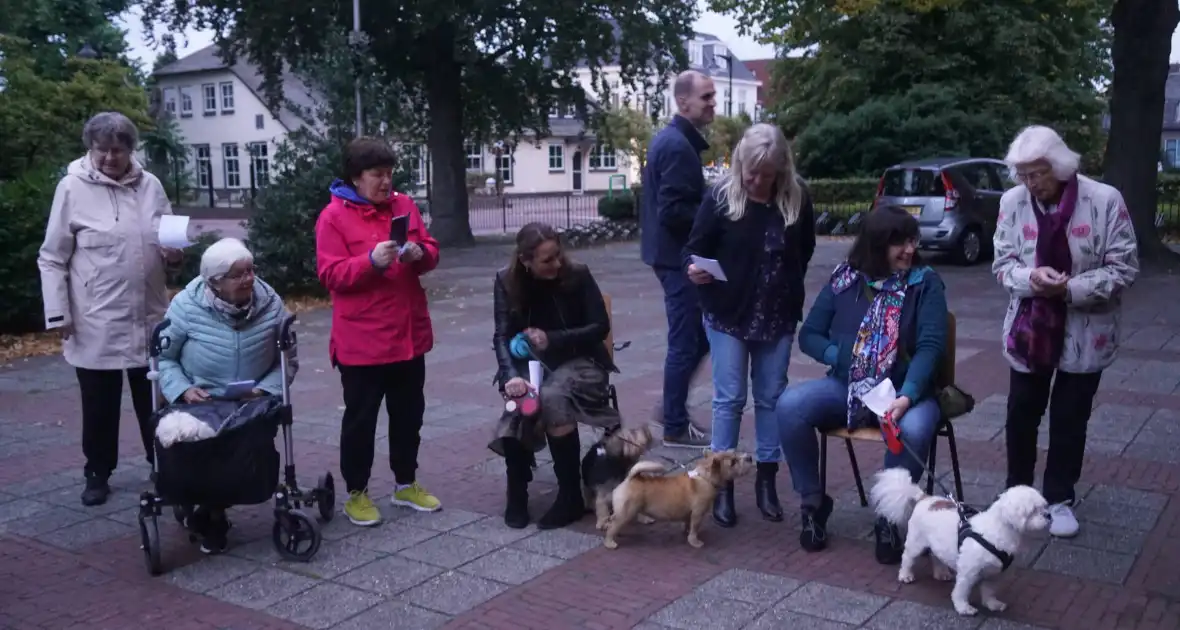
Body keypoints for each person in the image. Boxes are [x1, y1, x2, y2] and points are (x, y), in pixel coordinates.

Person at [776, 206, 948, 563]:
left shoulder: (925, 283)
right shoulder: (845, 280)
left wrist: (907, 395)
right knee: (790, 406)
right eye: (897, 243)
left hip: (906, 393)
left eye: (911, 241)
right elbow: (809, 336)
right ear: (874, 245)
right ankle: (813, 505)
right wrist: (845, 357)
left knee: (914, 429)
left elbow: (931, 347)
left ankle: (889, 518)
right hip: (850, 387)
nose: (909, 251)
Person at [993, 125, 1139, 538]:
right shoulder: (1012, 203)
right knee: (1021, 413)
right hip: (1029, 331)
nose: (1029, 183)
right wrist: (1030, 277)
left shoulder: (1104, 201)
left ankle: (1058, 498)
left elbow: (1124, 268)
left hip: (1086, 332)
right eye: (1022, 174)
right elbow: (1002, 265)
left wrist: (1069, 288)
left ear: (1059, 166)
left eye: (1036, 173)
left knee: (1069, 417)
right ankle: (1015, 493)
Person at [37, 111, 183, 507]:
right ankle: (97, 472)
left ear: (130, 150)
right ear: (91, 148)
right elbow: (51, 257)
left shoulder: (149, 185)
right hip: (94, 317)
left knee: (153, 399)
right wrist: (58, 313)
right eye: (101, 150)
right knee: (99, 404)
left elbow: (170, 243)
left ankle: (163, 465)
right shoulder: (71, 188)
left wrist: (174, 254)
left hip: (148, 314)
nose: (108, 158)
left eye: (117, 150)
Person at [683, 123, 816, 527]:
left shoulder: (796, 198)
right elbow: (695, 247)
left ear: (781, 170)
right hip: (726, 310)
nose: (757, 181)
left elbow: (804, 249)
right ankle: (720, 486)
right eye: (751, 172)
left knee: (772, 396)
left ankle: (767, 479)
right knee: (729, 397)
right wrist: (695, 270)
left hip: (776, 313)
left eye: (767, 174)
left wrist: (784, 286)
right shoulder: (722, 196)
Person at [315, 137, 441, 527]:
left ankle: (406, 484)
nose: (386, 182)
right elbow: (330, 274)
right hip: (362, 343)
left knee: (408, 416)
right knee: (361, 421)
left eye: (389, 174)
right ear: (356, 177)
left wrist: (422, 254)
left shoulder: (404, 206)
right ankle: (357, 493)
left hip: (407, 336)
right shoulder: (333, 218)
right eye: (377, 175)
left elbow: (430, 248)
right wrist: (369, 262)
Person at [156, 238, 296, 553]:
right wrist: (182, 389)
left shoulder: (271, 302)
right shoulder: (186, 306)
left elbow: (288, 360)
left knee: (247, 445)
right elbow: (164, 359)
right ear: (214, 282)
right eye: (238, 274)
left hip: (253, 399)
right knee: (208, 450)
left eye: (251, 270)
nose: (249, 279)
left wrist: (265, 389)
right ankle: (212, 512)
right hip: (202, 400)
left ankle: (213, 510)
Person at [491, 223, 620, 530]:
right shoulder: (506, 281)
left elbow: (599, 326)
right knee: (520, 404)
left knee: (550, 397)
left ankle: (570, 495)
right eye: (547, 260)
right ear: (525, 260)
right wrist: (511, 375)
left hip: (582, 361)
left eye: (557, 255)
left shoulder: (577, 274)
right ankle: (517, 492)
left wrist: (554, 338)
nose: (557, 264)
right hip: (530, 364)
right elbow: (501, 335)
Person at [640, 69, 716, 449]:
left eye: (713, 96)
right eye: (706, 97)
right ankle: (672, 422)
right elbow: (673, 211)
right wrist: (713, 213)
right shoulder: (675, 146)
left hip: (673, 257)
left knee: (697, 338)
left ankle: (672, 410)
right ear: (683, 101)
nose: (712, 103)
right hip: (676, 260)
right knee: (687, 341)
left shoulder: (676, 143)